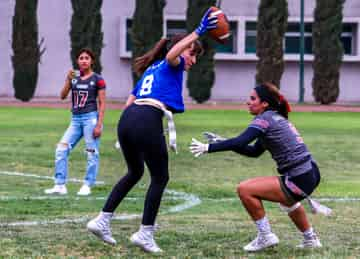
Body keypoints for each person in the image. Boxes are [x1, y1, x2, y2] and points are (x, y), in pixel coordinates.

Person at [86, 9, 216, 253]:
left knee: (135, 172)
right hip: (146, 118)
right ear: (180, 48)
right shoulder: (171, 63)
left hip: (128, 119)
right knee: (160, 177)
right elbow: (173, 55)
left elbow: (130, 100)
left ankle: (102, 220)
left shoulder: (152, 69)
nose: (194, 59)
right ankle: (145, 233)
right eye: (193, 53)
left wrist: (124, 133)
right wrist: (198, 32)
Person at [190, 82, 329, 252]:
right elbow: (254, 151)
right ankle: (310, 239)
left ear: (264, 104)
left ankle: (266, 236)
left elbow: (241, 141)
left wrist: (208, 148)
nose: (248, 102)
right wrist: (222, 142)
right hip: (310, 173)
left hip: (299, 176)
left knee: (245, 189)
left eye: (252, 98)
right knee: (287, 202)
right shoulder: (275, 117)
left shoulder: (264, 119)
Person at [44, 48, 106, 196]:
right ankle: (60, 185)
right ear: (77, 61)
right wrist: (67, 79)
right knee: (61, 149)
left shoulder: (98, 79)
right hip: (75, 119)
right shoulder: (73, 77)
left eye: (87, 58)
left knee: (91, 152)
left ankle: (87, 184)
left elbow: (102, 103)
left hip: (90, 119)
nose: (84, 60)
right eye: (81, 58)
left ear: (92, 61)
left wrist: (99, 124)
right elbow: (62, 96)